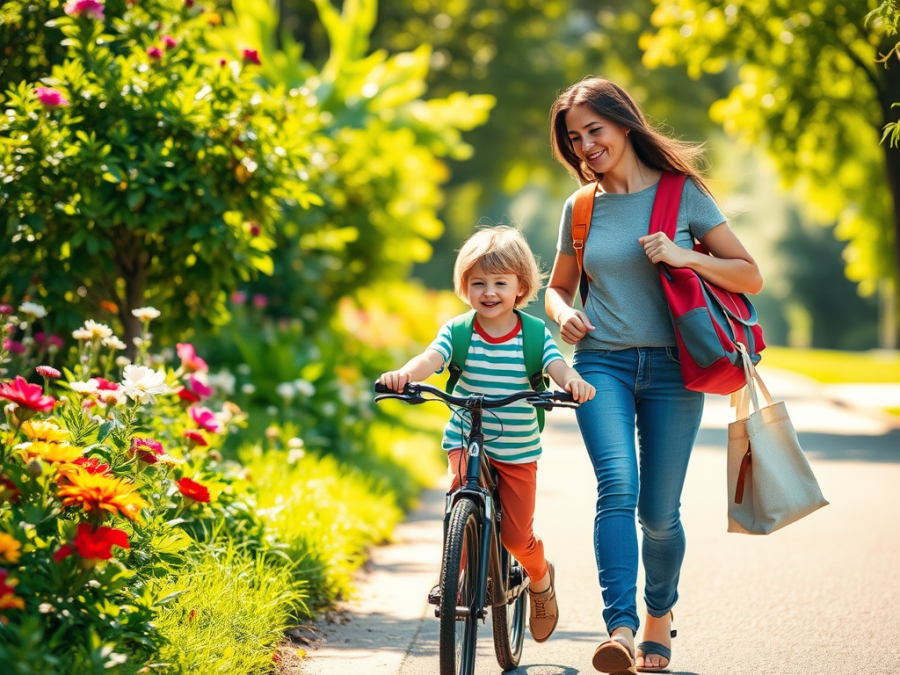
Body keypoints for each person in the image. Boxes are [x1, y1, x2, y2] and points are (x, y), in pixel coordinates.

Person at [544, 77, 763, 674]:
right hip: (602, 365)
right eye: (575, 137)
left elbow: (749, 276)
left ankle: (658, 616)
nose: (587, 145)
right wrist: (565, 315)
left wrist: (685, 254)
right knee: (616, 488)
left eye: (595, 130)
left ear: (624, 124)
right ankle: (618, 628)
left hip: (673, 371)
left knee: (659, 515)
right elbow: (558, 288)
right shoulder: (581, 208)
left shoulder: (682, 193)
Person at [379, 225, 595, 643]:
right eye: (478, 283)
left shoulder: (533, 334)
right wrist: (405, 375)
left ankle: (539, 576)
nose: (489, 292)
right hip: (466, 434)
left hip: (517, 448)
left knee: (516, 536)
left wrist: (573, 383)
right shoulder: (459, 330)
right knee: (459, 498)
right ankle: (454, 572)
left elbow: (556, 366)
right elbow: (432, 358)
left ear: (520, 287)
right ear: (465, 287)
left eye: (500, 282)